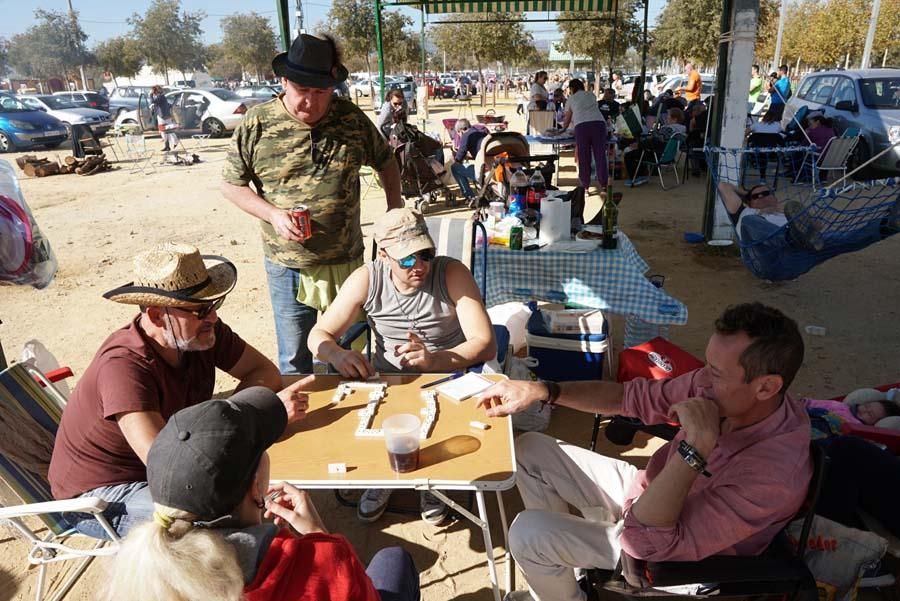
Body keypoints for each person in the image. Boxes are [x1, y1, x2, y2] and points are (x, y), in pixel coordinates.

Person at [476, 303, 812, 601]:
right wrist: (543, 390)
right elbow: (630, 398)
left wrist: (696, 448)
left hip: (679, 558)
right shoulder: (719, 394)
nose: (702, 381)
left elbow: (646, 544)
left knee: (527, 533)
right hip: (650, 496)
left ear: (766, 387)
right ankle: (566, 578)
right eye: (707, 366)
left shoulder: (774, 474)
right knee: (529, 450)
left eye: (717, 374)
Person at [48, 243, 312, 539]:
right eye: (199, 309)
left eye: (213, 304)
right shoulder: (124, 367)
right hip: (102, 497)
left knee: (245, 495)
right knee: (224, 518)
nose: (211, 317)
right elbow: (170, 468)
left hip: (160, 471)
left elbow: (264, 373)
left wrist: (238, 420)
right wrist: (255, 419)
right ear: (158, 316)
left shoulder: (199, 333)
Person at [103, 386, 421, 601]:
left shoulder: (142, 575)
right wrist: (318, 536)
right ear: (256, 486)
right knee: (394, 561)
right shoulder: (319, 558)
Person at [221, 34, 403, 376]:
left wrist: (393, 212)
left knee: (349, 352)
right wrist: (272, 214)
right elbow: (231, 184)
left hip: (347, 261)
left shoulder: (350, 118)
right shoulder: (258, 123)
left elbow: (386, 161)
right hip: (288, 264)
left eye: (321, 93)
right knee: (294, 359)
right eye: (302, 91)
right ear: (284, 81)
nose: (310, 102)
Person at [308, 208, 496, 525]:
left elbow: (484, 342)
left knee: (432, 424)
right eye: (408, 259)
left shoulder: (450, 273)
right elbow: (319, 335)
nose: (420, 266)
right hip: (384, 382)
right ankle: (384, 477)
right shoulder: (367, 277)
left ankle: (431, 484)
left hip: (446, 380)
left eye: (426, 254)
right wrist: (337, 355)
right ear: (383, 255)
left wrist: (436, 359)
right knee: (375, 421)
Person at [561, 79, 608, 192]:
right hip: (599, 124)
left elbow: (567, 119)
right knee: (600, 155)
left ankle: (585, 186)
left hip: (582, 126)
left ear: (571, 88)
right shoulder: (591, 95)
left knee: (583, 156)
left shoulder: (571, 99)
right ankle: (604, 184)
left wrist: (562, 129)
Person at [623, 107, 686, 187]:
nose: (666, 117)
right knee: (641, 152)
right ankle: (642, 176)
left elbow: (655, 141)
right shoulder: (681, 131)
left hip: (658, 155)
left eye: (668, 116)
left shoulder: (668, 129)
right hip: (669, 157)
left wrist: (639, 145)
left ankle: (636, 178)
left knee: (630, 155)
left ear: (674, 118)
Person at [449, 118, 488, 205]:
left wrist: (455, 158)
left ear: (461, 131)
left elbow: (459, 157)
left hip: (483, 171)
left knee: (455, 168)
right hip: (491, 165)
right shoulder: (482, 132)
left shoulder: (466, 135)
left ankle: (469, 196)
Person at [150, 85, 179, 152]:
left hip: (163, 116)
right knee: (165, 130)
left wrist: (150, 95)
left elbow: (153, 102)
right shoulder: (162, 96)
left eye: (153, 91)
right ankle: (167, 146)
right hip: (163, 115)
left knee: (165, 130)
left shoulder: (160, 96)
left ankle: (174, 142)